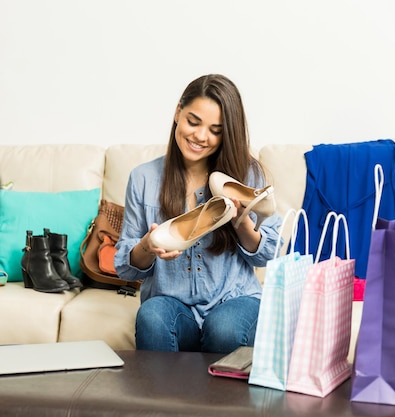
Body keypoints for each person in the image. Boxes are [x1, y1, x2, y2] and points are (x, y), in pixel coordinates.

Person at [114, 74, 282, 354]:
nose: (201, 136)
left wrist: (242, 224)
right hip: (173, 304)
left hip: (236, 299)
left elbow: (271, 253)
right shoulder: (143, 178)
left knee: (224, 328)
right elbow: (125, 267)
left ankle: (214, 397)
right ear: (178, 112)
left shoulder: (246, 173)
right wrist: (148, 245)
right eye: (193, 121)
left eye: (215, 130)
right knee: (152, 317)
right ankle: (162, 399)